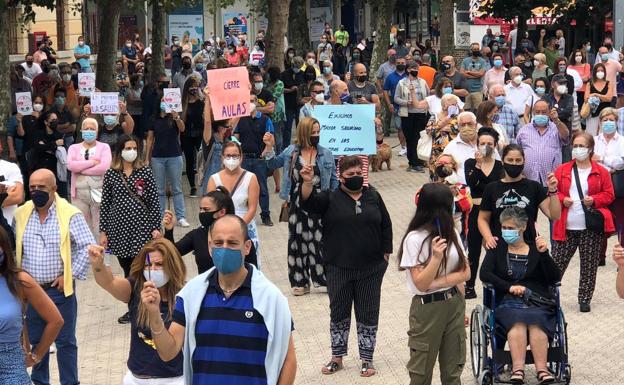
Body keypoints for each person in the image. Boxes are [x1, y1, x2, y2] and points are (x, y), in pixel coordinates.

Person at [140, 215, 297, 384]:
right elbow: (168, 352)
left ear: (247, 247)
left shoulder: (271, 298)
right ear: (210, 247)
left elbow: (289, 360)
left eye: (232, 243)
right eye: (219, 243)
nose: (224, 248)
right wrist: (155, 315)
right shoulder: (191, 295)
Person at [301, 155, 392, 377]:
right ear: (340, 177)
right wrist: (306, 181)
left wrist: (386, 254)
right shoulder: (330, 198)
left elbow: (386, 224)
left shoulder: (373, 196)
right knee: (339, 312)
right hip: (338, 267)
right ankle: (337, 358)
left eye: (358, 174)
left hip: (371, 269)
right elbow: (308, 203)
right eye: (350, 175)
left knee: (368, 313)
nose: (355, 178)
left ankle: (367, 359)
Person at [14, 168, 94, 385]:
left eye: (41, 187)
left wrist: (71, 273)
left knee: (65, 342)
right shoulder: (21, 214)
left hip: (58, 290)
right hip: (31, 293)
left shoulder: (69, 214)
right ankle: (40, 382)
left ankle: (70, 382)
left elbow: (88, 245)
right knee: (37, 341)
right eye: (32, 187)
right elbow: (13, 249)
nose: (36, 191)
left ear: (54, 188)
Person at [480, 206, 561, 384]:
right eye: (503, 228)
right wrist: (509, 287)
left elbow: (555, 277)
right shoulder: (497, 248)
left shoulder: (535, 250)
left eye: (510, 228)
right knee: (517, 322)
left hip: (536, 300)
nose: (505, 232)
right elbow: (484, 274)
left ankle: (542, 369)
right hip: (507, 301)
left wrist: (544, 254)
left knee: (536, 324)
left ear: (522, 228)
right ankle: (518, 369)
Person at [399, 182, 470, 385]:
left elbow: (466, 272)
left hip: (453, 303)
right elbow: (421, 285)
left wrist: (438, 284)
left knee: (453, 369)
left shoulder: (452, 233)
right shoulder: (414, 239)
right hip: (427, 308)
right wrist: (436, 259)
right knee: (421, 372)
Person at [89, 239, 185, 384]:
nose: (152, 269)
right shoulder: (135, 288)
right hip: (137, 378)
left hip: (173, 379)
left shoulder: (184, 296)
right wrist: (98, 265)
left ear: (172, 266)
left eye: (159, 264)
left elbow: (175, 348)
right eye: (148, 265)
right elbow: (109, 282)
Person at [265, 117, 339, 294]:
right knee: (297, 242)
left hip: (320, 201)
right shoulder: (292, 152)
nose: (316, 135)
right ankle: (300, 281)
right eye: (313, 132)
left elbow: (334, 181)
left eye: (318, 131)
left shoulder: (326, 153)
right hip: (297, 202)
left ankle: (324, 279)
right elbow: (271, 164)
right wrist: (269, 147)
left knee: (321, 240)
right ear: (304, 133)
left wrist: (337, 202)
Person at [100, 134, 161, 323]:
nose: (131, 151)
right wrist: (103, 231)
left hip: (141, 228)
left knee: (141, 268)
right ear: (120, 151)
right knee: (127, 270)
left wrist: (156, 227)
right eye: (127, 148)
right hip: (118, 229)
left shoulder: (145, 171)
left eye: (134, 148)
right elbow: (105, 203)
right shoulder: (111, 173)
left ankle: (146, 307)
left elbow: (153, 201)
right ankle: (132, 307)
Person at [552, 132, 614, 312]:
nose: (578, 149)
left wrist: (594, 199)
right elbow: (554, 191)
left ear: (590, 149)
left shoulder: (600, 171)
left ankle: (585, 298)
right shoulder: (563, 169)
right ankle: (548, 295)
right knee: (557, 263)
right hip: (566, 224)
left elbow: (609, 194)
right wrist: (562, 198)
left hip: (590, 226)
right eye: (575, 146)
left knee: (589, 264)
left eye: (582, 146)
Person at [0, 226, 64, 385]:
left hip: (11, 362)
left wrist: (36, 355)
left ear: (4, 248)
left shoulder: (19, 280)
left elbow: (56, 320)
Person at [478, 144, 561, 249]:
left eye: (518, 160)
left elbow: (554, 215)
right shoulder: (491, 188)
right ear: (503, 161)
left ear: (524, 161)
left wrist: (553, 191)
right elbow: (482, 218)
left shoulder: (534, 187)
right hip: (499, 246)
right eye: (510, 160)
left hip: (528, 245)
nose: (514, 163)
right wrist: (488, 237)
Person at [463, 127, 504, 298]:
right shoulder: (470, 163)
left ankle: (498, 281)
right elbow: (472, 183)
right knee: (473, 249)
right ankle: (469, 286)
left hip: (495, 213)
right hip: (476, 210)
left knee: (495, 246)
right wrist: (478, 165)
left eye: (489, 143)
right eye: (482, 143)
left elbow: (499, 187)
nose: (486, 146)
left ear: (495, 145)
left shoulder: (501, 165)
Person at [207, 141, 262, 264]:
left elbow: (252, 208)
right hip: (221, 229)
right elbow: (209, 208)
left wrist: (238, 227)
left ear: (241, 157)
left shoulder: (251, 178)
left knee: (248, 265)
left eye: (235, 155)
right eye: (228, 155)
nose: (231, 159)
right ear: (222, 157)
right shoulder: (213, 179)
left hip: (245, 227)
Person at [146, 98, 189, 227]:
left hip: (174, 155)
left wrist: (177, 117)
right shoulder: (154, 119)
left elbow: (182, 129)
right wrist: (147, 157)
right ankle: (159, 217)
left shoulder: (174, 118)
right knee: (159, 189)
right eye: (163, 101)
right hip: (157, 157)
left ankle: (181, 217)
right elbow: (149, 139)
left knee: (177, 188)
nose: (165, 103)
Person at [234, 93, 274, 226]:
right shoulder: (240, 119)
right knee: (243, 188)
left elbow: (271, 138)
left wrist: (265, 152)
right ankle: (244, 216)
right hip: (244, 159)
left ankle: (266, 215)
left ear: (257, 102)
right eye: (248, 100)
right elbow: (235, 137)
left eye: (252, 100)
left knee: (262, 189)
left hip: (259, 160)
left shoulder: (265, 119)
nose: (250, 103)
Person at [66, 118, 112, 235]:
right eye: (86, 129)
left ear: (97, 131)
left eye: (92, 129)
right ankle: (85, 251)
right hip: (78, 192)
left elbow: (104, 167)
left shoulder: (104, 147)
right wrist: (91, 163)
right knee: (82, 225)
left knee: (99, 225)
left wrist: (81, 170)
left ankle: (100, 250)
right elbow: (71, 165)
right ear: (81, 130)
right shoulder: (73, 148)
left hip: (99, 190)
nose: (89, 131)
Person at [516, 100, 569, 187]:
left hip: (551, 181)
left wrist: (556, 120)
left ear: (549, 112)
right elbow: (517, 151)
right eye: (537, 112)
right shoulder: (524, 130)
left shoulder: (556, 128)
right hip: (528, 180)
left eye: (544, 112)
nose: (540, 114)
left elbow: (566, 136)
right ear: (533, 113)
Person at [394, 61, 430, 172]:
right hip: (407, 114)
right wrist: (406, 102)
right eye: (413, 68)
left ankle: (419, 161)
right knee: (410, 139)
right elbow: (396, 98)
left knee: (419, 138)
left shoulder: (422, 82)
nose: (416, 70)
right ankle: (413, 163)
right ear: (408, 70)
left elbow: (428, 95)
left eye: (417, 68)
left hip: (421, 113)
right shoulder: (401, 83)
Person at [425, 93, 461, 179]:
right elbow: (429, 130)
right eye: (452, 104)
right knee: (436, 176)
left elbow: (460, 129)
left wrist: (444, 128)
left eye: (456, 104)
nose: (455, 106)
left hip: (453, 153)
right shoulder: (435, 116)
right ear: (444, 106)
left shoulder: (459, 117)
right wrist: (446, 119)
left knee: (453, 177)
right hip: (437, 153)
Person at [180, 77, 204, 198]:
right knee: (190, 161)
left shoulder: (201, 101)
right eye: (191, 87)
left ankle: (203, 182)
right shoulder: (183, 103)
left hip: (200, 134)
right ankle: (192, 186)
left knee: (202, 159)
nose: (193, 89)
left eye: (196, 86)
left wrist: (200, 94)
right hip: (187, 135)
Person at [442, 111, 479, 184]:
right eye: (463, 125)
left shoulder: (485, 143)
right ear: (458, 127)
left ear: (476, 125)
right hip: (461, 190)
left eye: (469, 124)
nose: (466, 127)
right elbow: (445, 173)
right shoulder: (451, 147)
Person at [383, 55, 407, 152]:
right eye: (398, 63)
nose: (400, 65)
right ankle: (403, 147)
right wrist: (389, 104)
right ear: (395, 64)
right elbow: (385, 91)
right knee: (399, 127)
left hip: (409, 106)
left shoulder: (409, 76)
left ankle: (410, 146)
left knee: (409, 127)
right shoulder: (390, 77)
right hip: (396, 106)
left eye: (402, 63)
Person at [281, 56, 305, 149]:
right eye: (295, 66)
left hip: (300, 104)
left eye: (299, 67)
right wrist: (290, 90)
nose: (297, 69)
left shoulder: (303, 74)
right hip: (288, 104)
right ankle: (285, 147)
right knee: (287, 127)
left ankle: (301, 145)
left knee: (301, 127)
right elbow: (280, 89)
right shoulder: (284, 74)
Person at [584, 63, 614, 135]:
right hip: (592, 113)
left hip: (606, 113)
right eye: (598, 71)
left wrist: (595, 94)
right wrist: (603, 97)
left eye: (602, 71)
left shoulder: (609, 83)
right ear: (595, 72)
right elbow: (586, 99)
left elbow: (609, 98)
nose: (600, 72)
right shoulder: (590, 84)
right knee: (591, 134)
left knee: (605, 134)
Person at [460, 43, 488, 111]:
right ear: (471, 50)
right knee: (466, 109)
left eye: (478, 49)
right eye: (474, 49)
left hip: (478, 90)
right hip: (466, 90)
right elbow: (461, 73)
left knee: (478, 110)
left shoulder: (483, 61)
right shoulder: (465, 60)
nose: (476, 51)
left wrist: (468, 72)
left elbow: (481, 74)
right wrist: (476, 75)